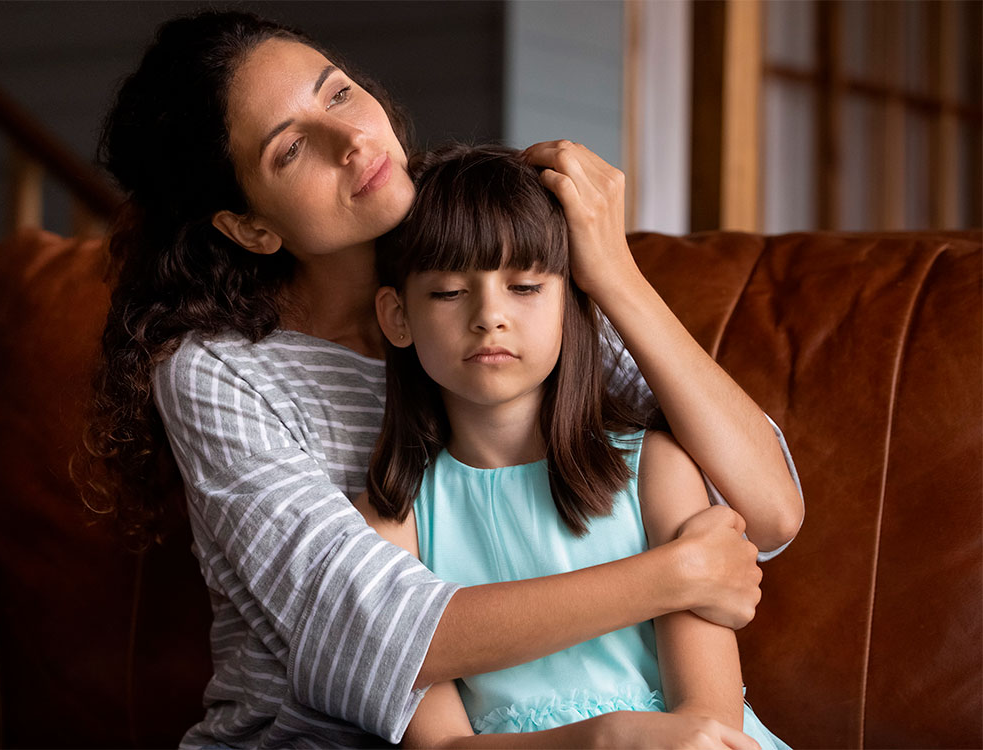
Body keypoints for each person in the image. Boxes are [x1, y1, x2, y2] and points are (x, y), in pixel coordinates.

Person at [80, 9, 803, 747]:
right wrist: (673, 576)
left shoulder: (495, 265)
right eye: (292, 148)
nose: (353, 138)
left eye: (337, 94)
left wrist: (611, 275)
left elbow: (767, 510)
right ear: (250, 227)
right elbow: (370, 641)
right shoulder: (218, 374)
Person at [358, 143, 788, 749]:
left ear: (571, 305)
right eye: (450, 292)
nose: (490, 316)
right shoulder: (396, 512)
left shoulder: (655, 469)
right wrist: (602, 739)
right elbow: (442, 746)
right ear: (396, 316)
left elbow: (710, 719)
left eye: (526, 286)